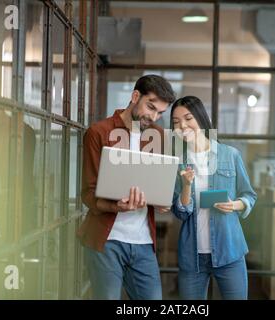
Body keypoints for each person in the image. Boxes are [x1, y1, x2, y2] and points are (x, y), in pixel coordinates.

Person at [77, 74, 176, 299]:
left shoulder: (158, 136)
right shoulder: (98, 132)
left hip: (143, 243)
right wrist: (116, 207)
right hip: (107, 240)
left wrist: (162, 201)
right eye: (150, 107)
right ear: (135, 96)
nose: (154, 117)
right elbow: (88, 194)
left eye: (160, 113)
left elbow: (159, 184)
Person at [170, 96, 257, 300]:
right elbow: (181, 213)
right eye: (175, 122)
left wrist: (234, 205)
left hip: (229, 252)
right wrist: (186, 186)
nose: (182, 125)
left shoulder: (230, 155)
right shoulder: (176, 161)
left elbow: (249, 195)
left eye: (188, 118)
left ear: (200, 118)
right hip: (193, 257)